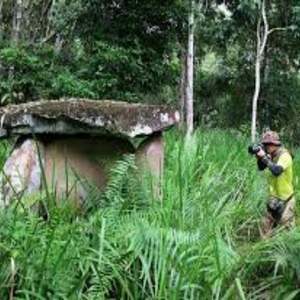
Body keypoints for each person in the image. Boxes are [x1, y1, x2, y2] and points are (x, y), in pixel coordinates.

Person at [255, 130, 295, 237]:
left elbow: (276, 170)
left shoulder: (285, 155)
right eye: (265, 144)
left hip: (286, 200)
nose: (266, 146)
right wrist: (260, 158)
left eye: (269, 144)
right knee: (265, 226)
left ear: (276, 144)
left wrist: (264, 157)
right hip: (274, 199)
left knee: (287, 232)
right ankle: (264, 250)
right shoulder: (271, 155)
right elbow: (261, 167)